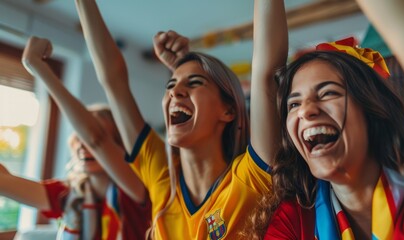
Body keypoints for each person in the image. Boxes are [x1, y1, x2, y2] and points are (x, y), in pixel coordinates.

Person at [21, 0, 288, 239]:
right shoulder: (162, 178)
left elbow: (267, 72)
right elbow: (115, 84)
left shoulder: (250, 178)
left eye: (194, 83)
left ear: (229, 111)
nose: (174, 92)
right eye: (170, 85)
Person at [247, 0, 404, 239]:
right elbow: (267, 77)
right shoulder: (295, 221)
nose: (305, 111)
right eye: (294, 104)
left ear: (372, 108)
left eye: (328, 93)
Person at [0, 105, 151, 240]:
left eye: (94, 139)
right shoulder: (71, 193)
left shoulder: (136, 191)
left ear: (119, 146)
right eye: (79, 137)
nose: (83, 145)